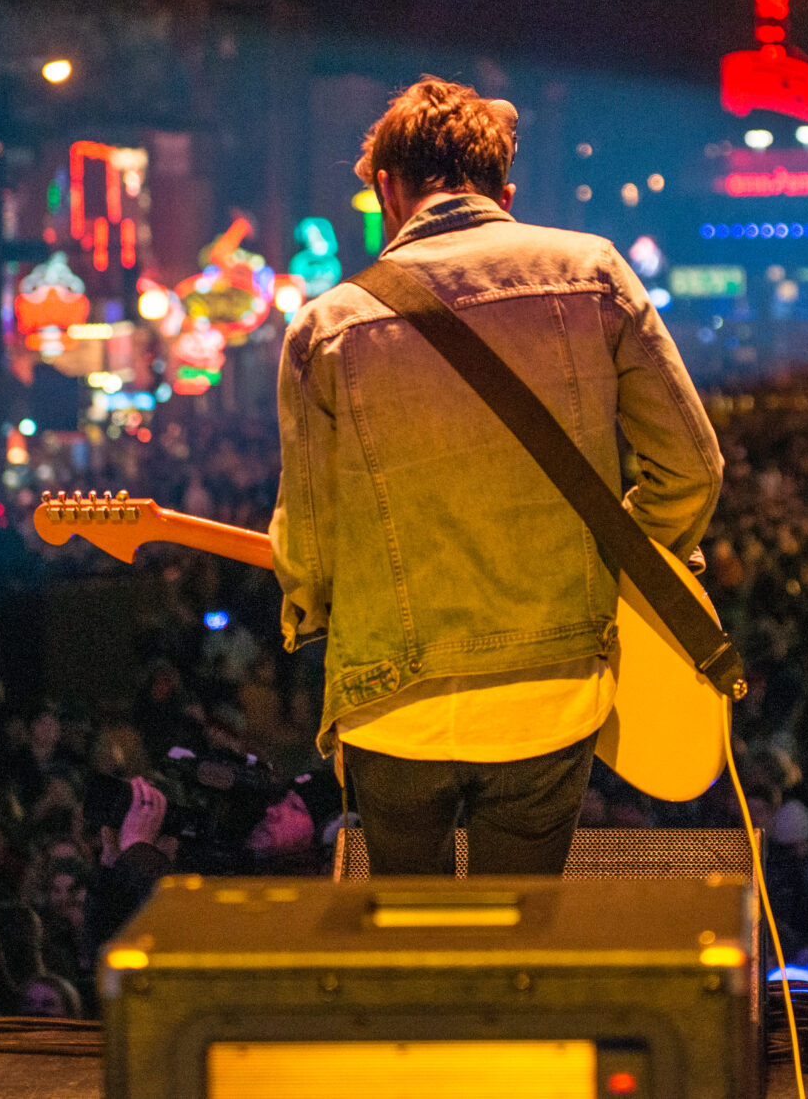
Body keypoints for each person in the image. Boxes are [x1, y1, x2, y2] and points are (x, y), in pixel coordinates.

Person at [272, 78, 723, 876]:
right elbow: (692, 466)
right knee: (517, 933)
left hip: (392, 706)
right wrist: (617, 560)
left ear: (385, 189)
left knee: (409, 941)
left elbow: (309, 544)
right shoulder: (594, 273)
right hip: (549, 695)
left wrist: (312, 604)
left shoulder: (326, 328)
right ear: (505, 194)